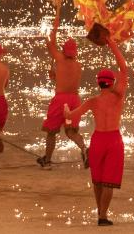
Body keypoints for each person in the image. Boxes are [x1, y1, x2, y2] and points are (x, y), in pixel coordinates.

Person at [64, 37, 129, 227]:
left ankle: (100, 213)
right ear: (112, 82)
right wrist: (112, 44)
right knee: (109, 181)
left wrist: (66, 111)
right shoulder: (118, 96)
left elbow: (71, 116)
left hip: (98, 140)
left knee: (98, 181)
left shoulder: (92, 101)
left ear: (99, 83)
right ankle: (102, 215)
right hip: (113, 140)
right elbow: (124, 68)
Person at [37, 27, 87, 168]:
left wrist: (52, 31)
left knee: (51, 132)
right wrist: (54, 76)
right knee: (71, 131)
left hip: (61, 101)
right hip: (74, 102)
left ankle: (47, 161)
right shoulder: (78, 65)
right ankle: (84, 149)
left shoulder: (59, 59)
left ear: (64, 51)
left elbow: (49, 45)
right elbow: (67, 81)